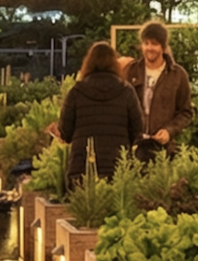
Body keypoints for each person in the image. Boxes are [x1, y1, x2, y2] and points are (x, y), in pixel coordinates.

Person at [56, 41, 140, 189]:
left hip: (82, 166)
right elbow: (138, 127)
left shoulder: (76, 92)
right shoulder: (127, 91)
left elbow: (65, 132)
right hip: (118, 165)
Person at [122, 21, 193, 159]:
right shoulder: (131, 71)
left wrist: (169, 131)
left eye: (154, 44)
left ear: (164, 47)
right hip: (135, 146)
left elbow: (186, 112)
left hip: (163, 149)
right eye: (146, 43)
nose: (149, 48)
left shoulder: (177, 75)